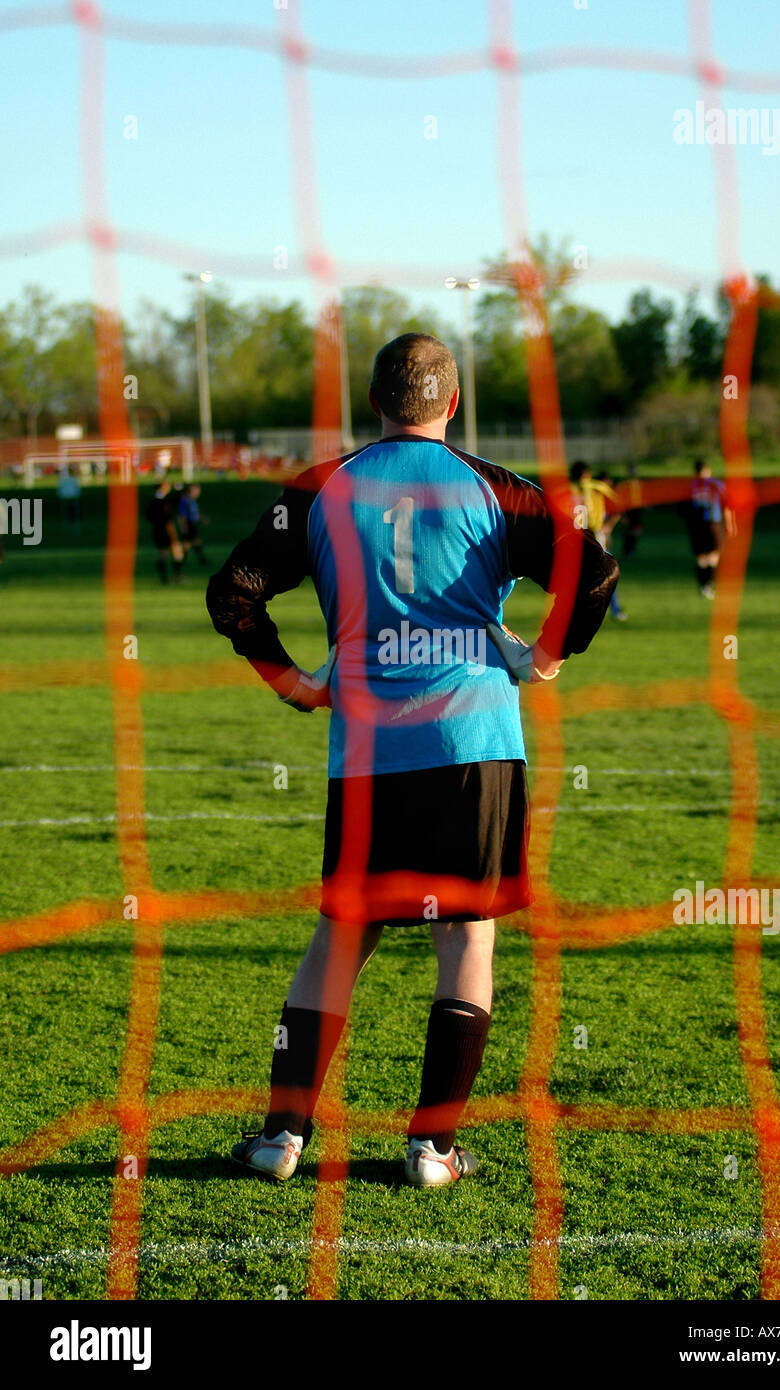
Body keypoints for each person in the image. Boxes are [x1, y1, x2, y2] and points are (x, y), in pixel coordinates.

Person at [206, 333, 618, 1187]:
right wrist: (546, 655)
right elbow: (595, 576)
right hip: (475, 745)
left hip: (366, 755)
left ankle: (282, 1138)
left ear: (375, 403)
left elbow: (232, 591)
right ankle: (432, 1151)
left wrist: (295, 683)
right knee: (467, 935)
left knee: (341, 937)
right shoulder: (499, 491)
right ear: (453, 404)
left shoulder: (321, 488)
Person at [568, 462, 626, 621]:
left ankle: (610, 609)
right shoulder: (591, 487)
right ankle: (611, 609)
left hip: (585, 535)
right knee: (603, 573)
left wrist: (608, 525)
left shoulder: (573, 489)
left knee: (595, 573)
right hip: (587, 535)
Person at [685, 458, 736, 598]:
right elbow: (727, 505)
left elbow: (683, 509)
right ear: (707, 470)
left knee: (701, 555)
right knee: (713, 554)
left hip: (696, 524)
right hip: (714, 523)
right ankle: (708, 584)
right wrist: (730, 524)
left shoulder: (691, 486)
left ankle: (704, 585)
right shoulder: (716, 485)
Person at [145, 477, 184, 584]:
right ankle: (178, 576)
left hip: (157, 529)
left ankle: (164, 578)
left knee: (162, 553)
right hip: (168, 529)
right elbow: (170, 515)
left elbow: (148, 516)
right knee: (176, 552)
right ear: (163, 487)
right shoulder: (164, 501)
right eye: (167, 485)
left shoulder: (152, 500)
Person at [177, 483, 209, 566]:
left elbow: (194, 514)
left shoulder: (191, 501)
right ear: (192, 491)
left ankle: (182, 561)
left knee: (188, 543)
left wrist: (202, 519)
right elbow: (182, 515)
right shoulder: (185, 501)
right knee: (194, 542)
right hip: (188, 524)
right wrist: (183, 526)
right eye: (197, 491)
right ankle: (202, 560)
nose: (198, 493)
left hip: (192, 524)